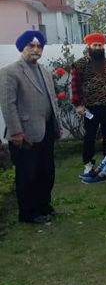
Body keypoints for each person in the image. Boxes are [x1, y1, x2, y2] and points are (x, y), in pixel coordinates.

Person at [0, 31, 60, 223]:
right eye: (31, 46)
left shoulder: (45, 71)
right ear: (22, 47)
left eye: (39, 46)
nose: (35, 49)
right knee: (27, 175)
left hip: (46, 129)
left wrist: (56, 125)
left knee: (47, 171)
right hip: (25, 133)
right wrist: (16, 131)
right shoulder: (9, 71)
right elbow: (8, 104)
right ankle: (28, 214)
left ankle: (44, 206)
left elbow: (51, 100)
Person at [71, 32, 106, 175]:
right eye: (95, 45)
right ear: (89, 46)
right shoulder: (80, 65)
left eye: (100, 45)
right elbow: (75, 86)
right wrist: (78, 105)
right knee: (90, 136)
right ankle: (88, 163)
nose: (98, 48)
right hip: (90, 107)